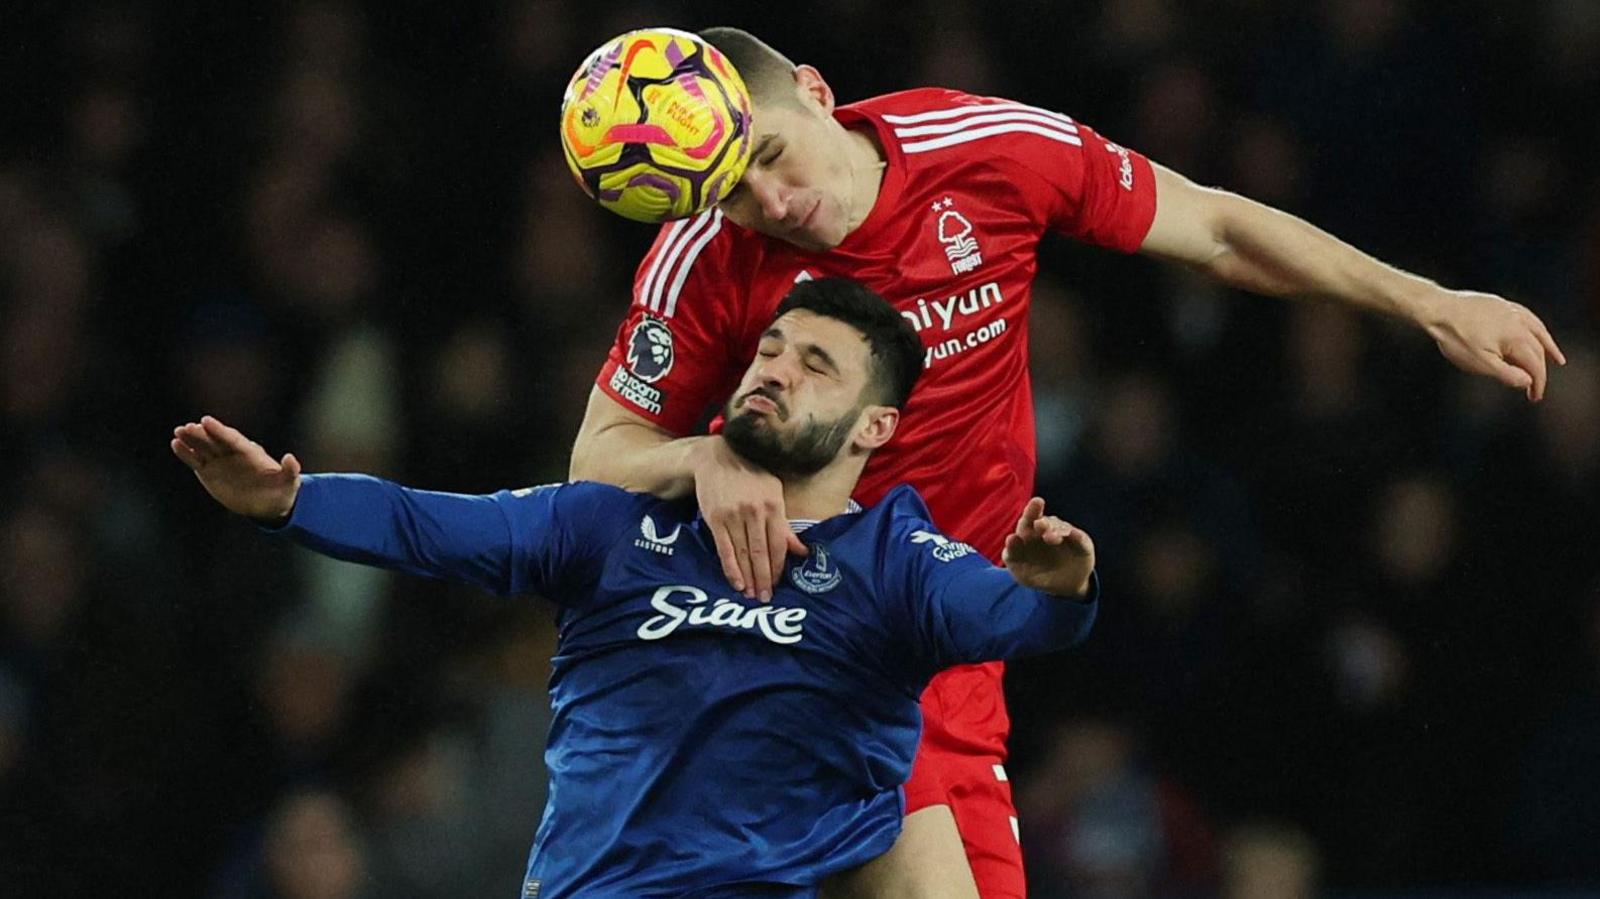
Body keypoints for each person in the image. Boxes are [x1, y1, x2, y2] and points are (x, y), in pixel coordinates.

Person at [568, 26, 1569, 898]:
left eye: (773, 157)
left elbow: (1215, 226)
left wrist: (1430, 301)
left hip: (960, 652)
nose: (771, 201)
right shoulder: (703, 257)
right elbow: (596, 461)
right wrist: (706, 458)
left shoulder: (986, 148)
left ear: (819, 94)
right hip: (816, 638)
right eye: (733, 194)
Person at [171, 278, 1101, 899]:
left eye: (817, 366)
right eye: (771, 348)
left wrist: (1061, 587)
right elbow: (429, 523)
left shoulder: (893, 557)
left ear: (874, 426)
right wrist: (288, 500)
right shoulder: (614, 526)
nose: (776, 367)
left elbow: (1011, 616)